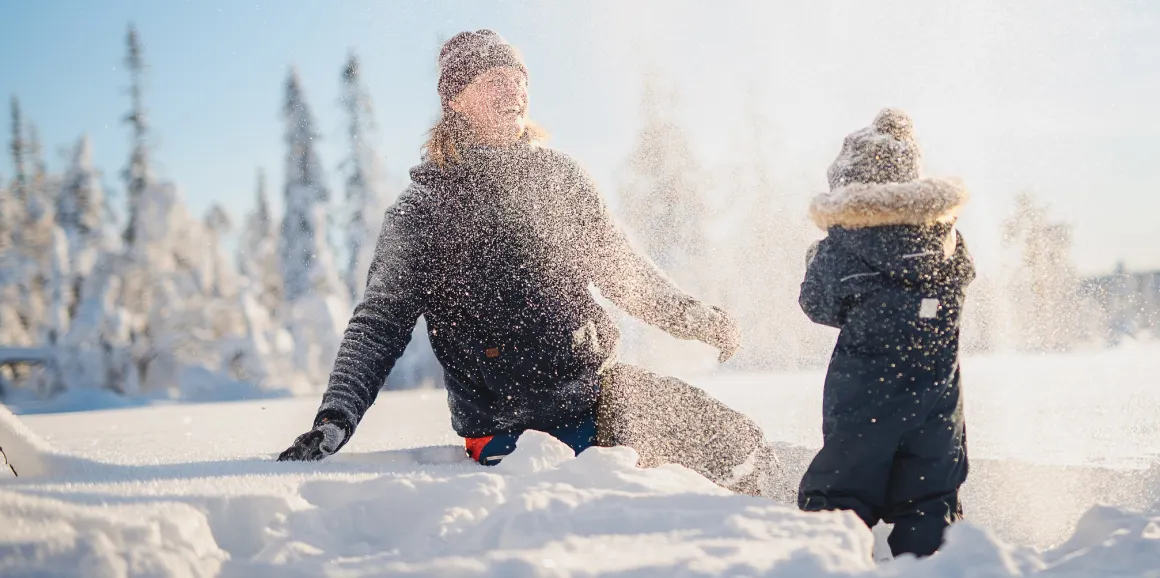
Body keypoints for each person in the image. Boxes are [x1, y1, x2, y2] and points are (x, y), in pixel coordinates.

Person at [278, 29, 778, 495]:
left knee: (731, 440)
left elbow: (624, 274)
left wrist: (696, 318)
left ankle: (789, 508)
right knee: (587, 507)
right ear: (456, 100)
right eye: (494, 81)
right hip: (506, 431)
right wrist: (335, 416)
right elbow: (379, 323)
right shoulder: (423, 209)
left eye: (518, 80)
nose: (512, 91)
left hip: (597, 396)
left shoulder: (560, 179)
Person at [796, 108, 974, 557]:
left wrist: (815, 260)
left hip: (864, 403)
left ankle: (827, 564)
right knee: (931, 505)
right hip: (936, 404)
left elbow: (817, 304)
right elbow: (962, 281)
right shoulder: (946, 237)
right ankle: (936, 567)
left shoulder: (845, 244)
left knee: (839, 501)